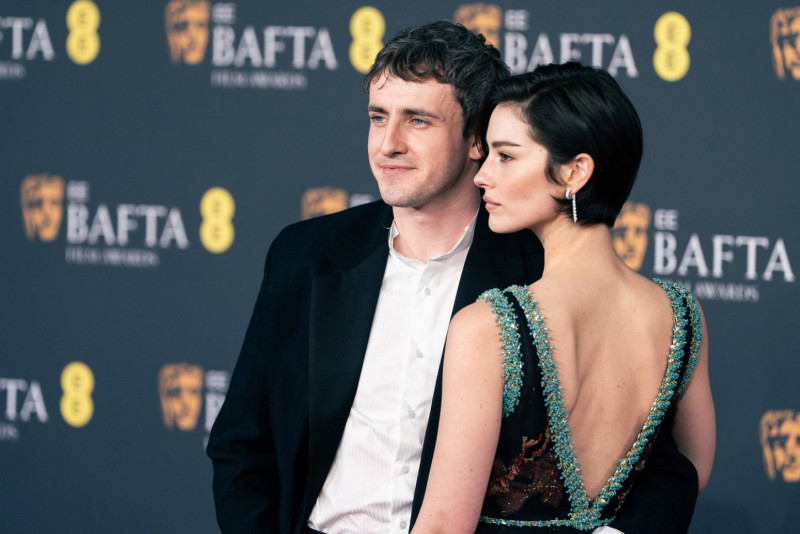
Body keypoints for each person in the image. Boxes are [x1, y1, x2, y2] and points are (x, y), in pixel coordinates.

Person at [206, 21, 544, 534]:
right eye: (378, 117)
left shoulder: (536, 274)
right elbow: (242, 442)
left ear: (478, 139)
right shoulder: (305, 255)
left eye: (418, 121)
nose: (388, 144)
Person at [411, 63, 715, 534]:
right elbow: (689, 473)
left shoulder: (488, 326)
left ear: (575, 172)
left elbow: (445, 526)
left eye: (506, 156)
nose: (481, 176)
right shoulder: (680, 315)